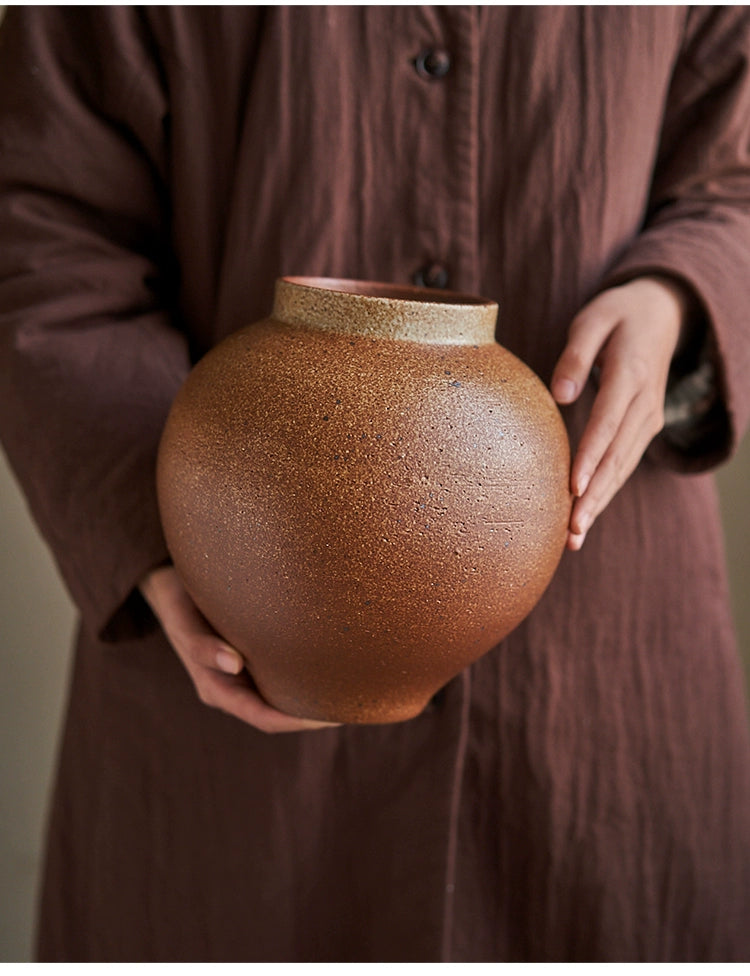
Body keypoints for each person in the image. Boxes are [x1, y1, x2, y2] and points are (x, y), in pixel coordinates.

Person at [0, 5, 749, 963]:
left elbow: (733, 179)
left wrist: (678, 295)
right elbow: (44, 226)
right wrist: (157, 537)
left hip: (598, 676)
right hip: (222, 637)